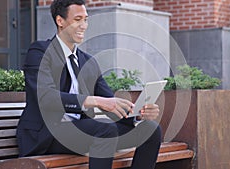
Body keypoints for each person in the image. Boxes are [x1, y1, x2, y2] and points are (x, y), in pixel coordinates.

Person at [16, 0, 162, 168]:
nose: (83, 25)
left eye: (85, 19)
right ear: (60, 21)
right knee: (105, 131)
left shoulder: (88, 62)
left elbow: (110, 102)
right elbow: (46, 98)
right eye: (77, 19)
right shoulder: (40, 52)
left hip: (80, 131)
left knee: (150, 129)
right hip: (46, 134)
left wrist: (136, 114)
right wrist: (95, 101)